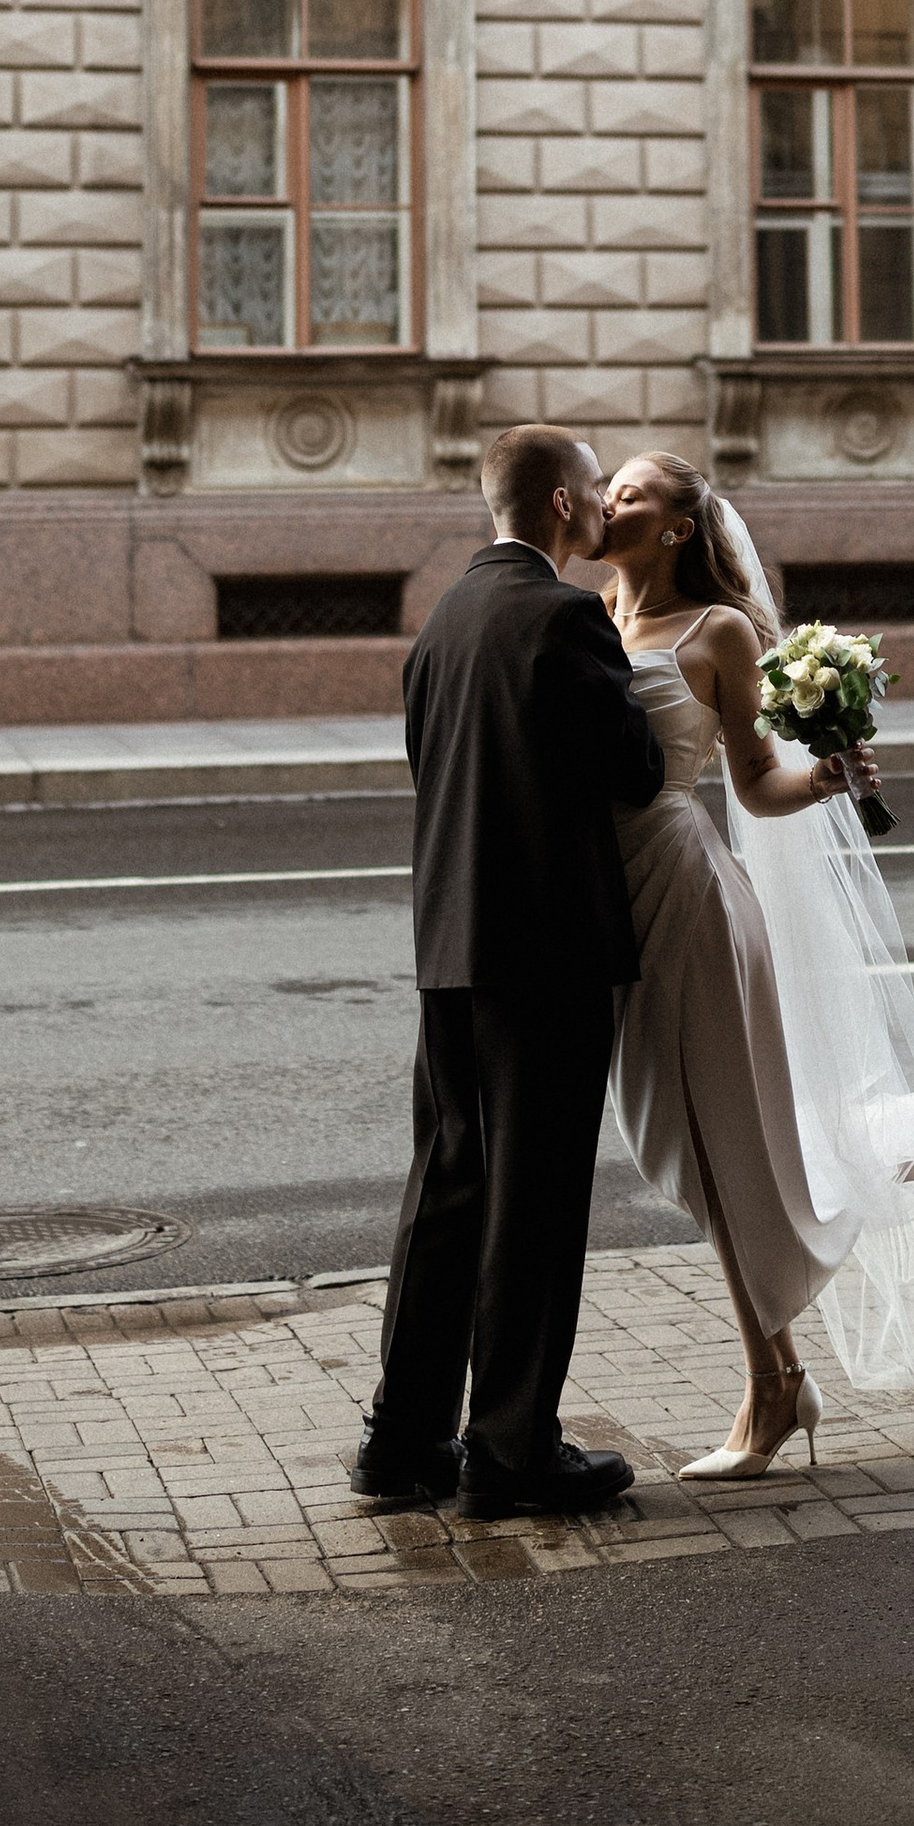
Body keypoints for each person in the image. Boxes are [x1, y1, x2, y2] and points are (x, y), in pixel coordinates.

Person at [599, 451, 914, 1481]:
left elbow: (755, 783)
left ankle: (772, 1389)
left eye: (630, 493)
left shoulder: (717, 631)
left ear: (679, 527)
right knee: (671, 1146)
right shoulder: (592, 610)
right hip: (613, 903)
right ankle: (908, 1165)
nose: (608, 502)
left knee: (718, 1149)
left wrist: (825, 778)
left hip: (686, 894)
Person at [356, 424, 665, 1519]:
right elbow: (633, 771)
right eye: (592, 490)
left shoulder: (441, 618)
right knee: (530, 1209)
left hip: (449, 950)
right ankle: (512, 1451)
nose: (600, 508)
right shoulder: (564, 615)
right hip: (545, 956)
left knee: (443, 1198)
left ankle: (400, 1445)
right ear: (559, 507)